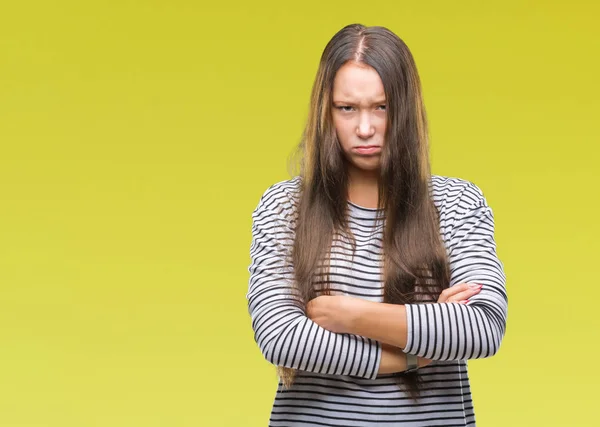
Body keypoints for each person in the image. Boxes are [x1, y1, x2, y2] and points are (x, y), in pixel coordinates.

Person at [246, 23, 507, 427]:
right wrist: (415, 350)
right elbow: (281, 336)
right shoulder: (285, 206)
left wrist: (351, 315)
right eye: (347, 108)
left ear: (404, 109)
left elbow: (483, 327)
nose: (364, 128)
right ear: (326, 111)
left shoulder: (456, 203)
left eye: (381, 107)